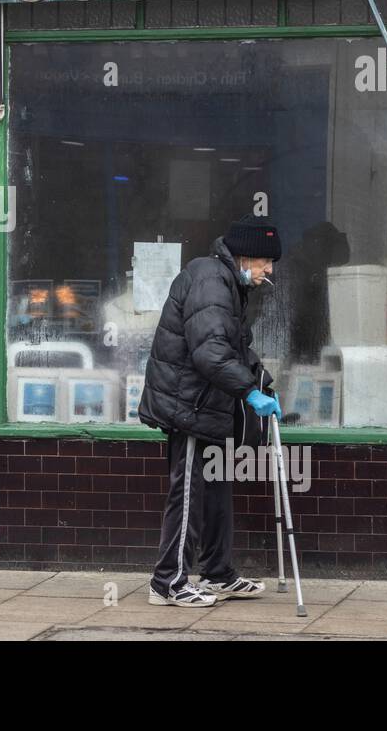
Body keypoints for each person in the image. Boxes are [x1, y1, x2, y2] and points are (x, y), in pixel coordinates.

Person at [138, 214, 283, 607]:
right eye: (265, 262)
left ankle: (217, 573)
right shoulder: (210, 281)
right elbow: (210, 353)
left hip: (208, 407)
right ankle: (167, 582)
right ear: (244, 256)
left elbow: (232, 346)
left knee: (216, 489)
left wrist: (261, 380)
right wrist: (250, 393)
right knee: (187, 493)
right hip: (187, 406)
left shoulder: (228, 285)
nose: (269, 271)